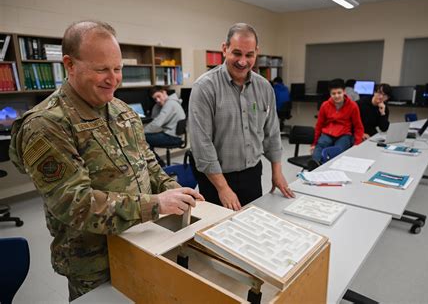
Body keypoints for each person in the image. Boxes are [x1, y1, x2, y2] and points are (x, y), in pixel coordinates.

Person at [8, 20, 203, 301]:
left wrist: (174, 190)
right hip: (93, 261)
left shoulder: (121, 110)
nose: (113, 79)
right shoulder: (46, 125)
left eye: (117, 68)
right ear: (70, 65)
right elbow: (74, 203)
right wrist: (156, 204)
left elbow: (147, 163)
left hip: (143, 240)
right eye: (101, 69)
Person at [189, 23, 294, 211]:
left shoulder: (264, 87)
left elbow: (272, 132)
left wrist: (277, 172)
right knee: (218, 233)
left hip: (252, 174)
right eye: (237, 53)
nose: (243, 61)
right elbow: (202, 145)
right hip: (216, 178)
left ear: (256, 52)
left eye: (249, 55)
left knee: (250, 227)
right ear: (224, 49)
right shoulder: (204, 88)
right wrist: (223, 188)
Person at [310, 78, 364, 164]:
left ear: (344, 92)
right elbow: (319, 125)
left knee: (338, 150)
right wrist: (314, 143)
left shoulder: (353, 106)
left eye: (339, 93)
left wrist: (357, 144)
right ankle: (314, 167)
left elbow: (358, 127)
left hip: (344, 134)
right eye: (333, 93)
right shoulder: (325, 105)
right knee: (320, 145)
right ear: (330, 94)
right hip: (328, 133)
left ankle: (331, 170)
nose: (336, 96)